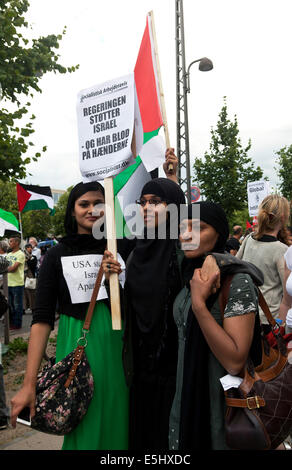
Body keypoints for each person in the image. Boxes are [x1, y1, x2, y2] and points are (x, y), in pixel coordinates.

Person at [10, 182, 129, 450]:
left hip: (121, 348)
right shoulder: (55, 255)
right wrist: (29, 384)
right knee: (86, 424)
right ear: (72, 210)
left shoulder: (121, 247)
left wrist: (119, 278)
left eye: (98, 203)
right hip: (80, 348)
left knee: (119, 419)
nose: (91, 210)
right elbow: (41, 321)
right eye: (83, 204)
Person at [169, 201, 263, 450]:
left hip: (222, 410)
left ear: (219, 233)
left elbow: (234, 360)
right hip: (186, 401)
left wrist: (200, 305)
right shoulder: (189, 272)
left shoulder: (237, 281)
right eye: (182, 227)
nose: (186, 235)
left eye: (198, 228)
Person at [120, 177, 186, 450]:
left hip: (177, 370)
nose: (146, 208)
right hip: (139, 368)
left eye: (155, 202)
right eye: (143, 202)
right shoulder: (134, 251)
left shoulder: (186, 251)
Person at [236, 194, 290, 326]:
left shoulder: (248, 239)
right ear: (283, 218)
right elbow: (288, 291)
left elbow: (236, 266)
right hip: (269, 319)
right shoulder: (281, 249)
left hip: (244, 312)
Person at [6, 236, 25, 330]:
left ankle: (17, 324)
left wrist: (5, 269)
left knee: (17, 305)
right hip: (8, 283)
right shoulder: (8, 254)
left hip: (17, 283)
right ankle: (11, 323)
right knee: (10, 305)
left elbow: (13, 269)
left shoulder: (20, 254)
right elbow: (5, 266)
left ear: (17, 243)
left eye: (11, 241)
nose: (9, 243)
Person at [23, 243, 38, 314]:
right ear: (26, 248)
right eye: (28, 247)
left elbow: (33, 266)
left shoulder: (34, 257)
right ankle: (23, 308)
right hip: (23, 275)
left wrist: (28, 260)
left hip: (31, 275)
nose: (30, 249)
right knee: (24, 292)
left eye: (31, 247)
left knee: (32, 292)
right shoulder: (22, 256)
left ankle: (33, 308)